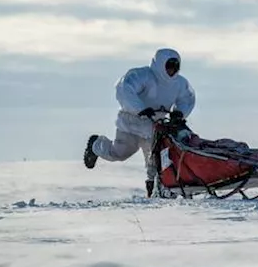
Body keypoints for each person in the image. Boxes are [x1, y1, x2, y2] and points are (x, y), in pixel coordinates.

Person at [83, 48, 196, 196]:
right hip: (131, 125)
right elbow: (124, 88)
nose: (172, 70)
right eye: (169, 66)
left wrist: (179, 113)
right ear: (160, 64)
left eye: (175, 66)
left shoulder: (180, 83)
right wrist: (140, 109)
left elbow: (188, 98)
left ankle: (154, 190)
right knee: (119, 153)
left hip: (155, 128)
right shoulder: (143, 75)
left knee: (156, 162)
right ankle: (96, 145)